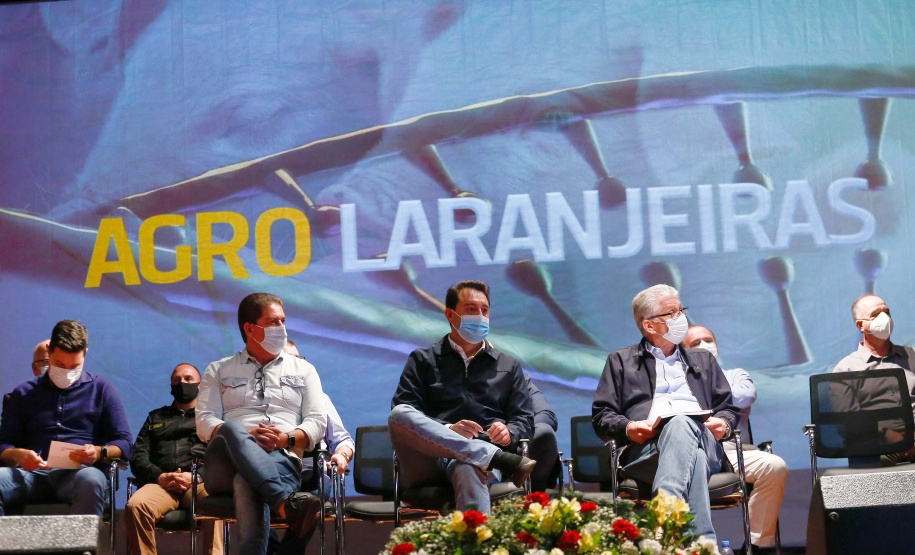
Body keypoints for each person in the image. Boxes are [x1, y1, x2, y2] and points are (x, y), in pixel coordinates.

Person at [592, 285, 738, 543]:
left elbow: (728, 407)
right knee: (696, 456)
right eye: (672, 313)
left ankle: (665, 518)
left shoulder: (703, 359)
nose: (681, 317)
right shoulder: (620, 361)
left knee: (683, 424)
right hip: (647, 450)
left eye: (681, 310)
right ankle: (704, 544)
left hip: (704, 437)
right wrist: (629, 428)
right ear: (649, 326)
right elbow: (602, 416)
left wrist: (724, 424)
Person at [196, 293, 327, 555]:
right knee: (232, 429)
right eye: (273, 322)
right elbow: (204, 422)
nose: (281, 328)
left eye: (283, 321)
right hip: (224, 465)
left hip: (282, 460)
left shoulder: (304, 370)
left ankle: (279, 504)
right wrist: (246, 437)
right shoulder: (218, 370)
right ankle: (282, 502)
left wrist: (285, 439)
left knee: (247, 482)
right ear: (250, 329)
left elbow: (318, 422)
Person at [389, 280, 535, 514]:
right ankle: (490, 456)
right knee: (399, 414)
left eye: (484, 310)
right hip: (429, 459)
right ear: (450, 315)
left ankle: (476, 547)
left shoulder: (508, 365)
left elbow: (524, 420)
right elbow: (405, 411)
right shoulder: (422, 360)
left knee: (468, 465)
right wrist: (447, 429)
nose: (480, 316)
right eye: (470, 309)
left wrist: (509, 434)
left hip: (482, 462)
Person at [0, 320, 133, 516]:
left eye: (75, 366)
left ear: (85, 354)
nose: (67, 372)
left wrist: (98, 451)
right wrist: (19, 455)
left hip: (78, 474)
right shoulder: (23, 393)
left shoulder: (102, 389)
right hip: (30, 474)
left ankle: (83, 548)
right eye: (60, 365)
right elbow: (3, 446)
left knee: (91, 480)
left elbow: (125, 444)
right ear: (49, 351)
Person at [683, 325, 788, 552]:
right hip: (691, 451)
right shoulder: (676, 381)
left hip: (732, 451)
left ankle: (754, 547)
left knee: (775, 466)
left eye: (707, 340)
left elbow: (746, 395)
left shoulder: (735, 374)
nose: (704, 346)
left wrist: (701, 396)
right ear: (683, 353)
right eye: (695, 344)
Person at [125, 363, 223, 555]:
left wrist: (197, 477)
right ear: (170, 386)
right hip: (161, 484)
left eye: (188, 379)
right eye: (176, 380)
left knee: (218, 504)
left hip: (199, 483)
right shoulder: (155, 418)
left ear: (200, 385)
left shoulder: (211, 418)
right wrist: (160, 476)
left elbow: (221, 456)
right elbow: (138, 457)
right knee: (136, 506)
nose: (182, 383)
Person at [267, 341, 355, 555]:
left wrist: (342, 455)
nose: (298, 365)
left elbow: (343, 440)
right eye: (291, 360)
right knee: (253, 498)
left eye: (300, 359)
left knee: (310, 504)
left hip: (312, 471)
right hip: (273, 470)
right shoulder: (262, 400)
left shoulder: (319, 398)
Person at [833, 293, 915, 462]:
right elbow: (846, 423)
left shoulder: (912, 356)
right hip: (876, 450)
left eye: (887, 312)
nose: (884, 318)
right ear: (861, 326)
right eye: (876, 315)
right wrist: (891, 436)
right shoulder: (846, 369)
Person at [524, 373, 561, 492]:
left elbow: (547, 416)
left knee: (545, 432)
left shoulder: (518, 378)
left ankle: (535, 500)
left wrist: (512, 432)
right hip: (476, 448)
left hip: (515, 447)